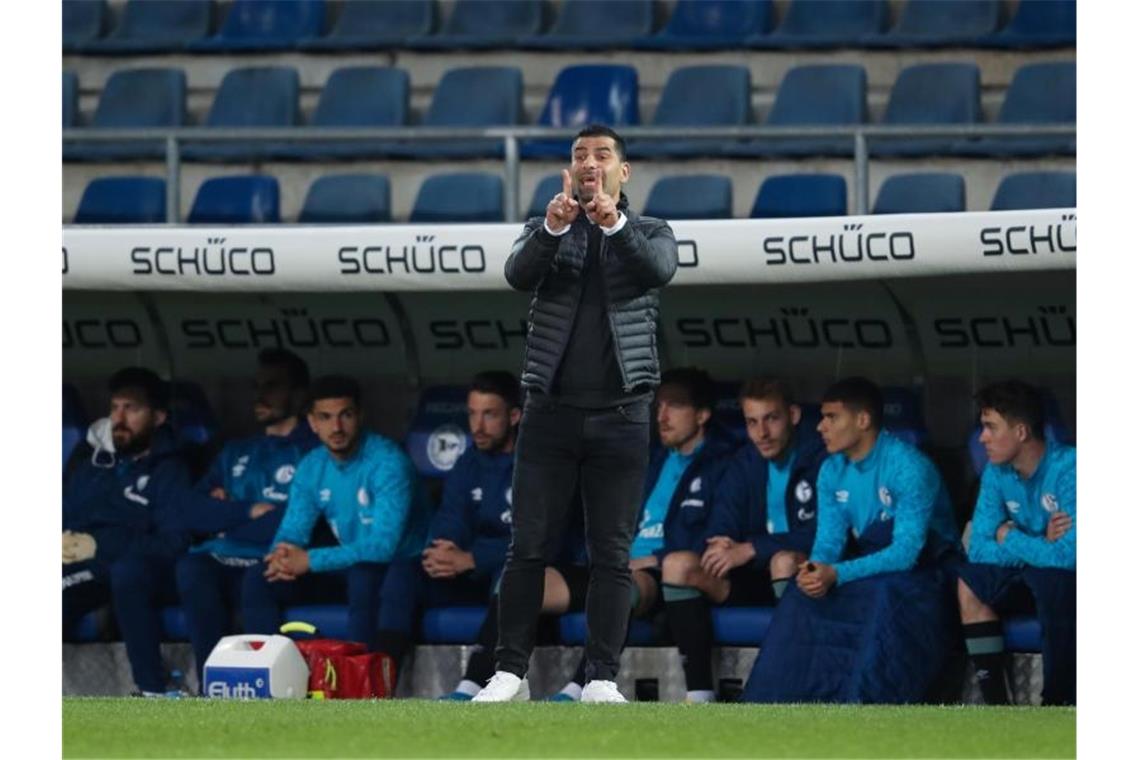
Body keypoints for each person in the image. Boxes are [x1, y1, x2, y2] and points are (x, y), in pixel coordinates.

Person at [474, 124, 679, 703]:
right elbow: (517, 275)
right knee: (527, 547)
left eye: (602, 154)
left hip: (622, 415)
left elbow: (656, 270)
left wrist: (611, 222)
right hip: (549, 414)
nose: (590, 162)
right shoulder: (547, 229)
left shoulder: (649, 230)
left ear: (623, 170)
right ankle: (508, 672)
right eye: (579, 155)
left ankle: (602, 679)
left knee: (612, 554)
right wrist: (552, 229)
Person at [743, 377, 961, 703]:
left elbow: (905, 553)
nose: (821, 427)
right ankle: (772, 703)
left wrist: (838, 574)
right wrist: (816, 568)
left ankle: (863, 705)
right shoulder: (831, 470)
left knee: (884, 596)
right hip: (872, 566)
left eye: (832, 418)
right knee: (801, 595)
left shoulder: (909, 467)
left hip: (926, 573)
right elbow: (829, 542)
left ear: (862, 420)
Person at [545, 367, 735, 702]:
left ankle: (581, 685)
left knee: (624, 584)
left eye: (674, 406)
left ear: (702, 414)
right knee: (527, 581)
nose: (661, 416)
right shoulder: (649, 458)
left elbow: (719, 533)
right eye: (659, 406)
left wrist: (655, 558)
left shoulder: (723, 463)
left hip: (662, 574)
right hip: (620, 564)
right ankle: (479, 684)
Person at [241, 375, 430, 660]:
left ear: (360, 416)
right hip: (347, 564)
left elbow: (382, 547)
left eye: (346, 415)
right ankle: (268, 679)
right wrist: (282, 554)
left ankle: (358, 686)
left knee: (363, 576)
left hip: (397, 568)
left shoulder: (388, 462)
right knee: (260, 577)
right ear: (313, 422)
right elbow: (293, 529)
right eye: (326, 417)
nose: (337, 427)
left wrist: (309, 560)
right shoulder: (312, 465)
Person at [661, 377, 825, 702]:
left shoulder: (819, 459)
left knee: (785, 561)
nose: (761, 433)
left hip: (803, 580)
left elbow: (822, 535)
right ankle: (699, 696)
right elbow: (721, 525)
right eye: (751, 422)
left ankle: (796, 685)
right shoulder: (743, 463)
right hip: (749, 578)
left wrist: (752, 548)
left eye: (771, 419)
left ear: (792, 415)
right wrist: (723, 545)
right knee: (678, 564)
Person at [174, 349, 318, 686]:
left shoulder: (313, 452)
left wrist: (221, 518)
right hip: (228, 555)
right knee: (192, 567)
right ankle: (213, 686)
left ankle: (264, 686)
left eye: (273, 386)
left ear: (298, 395)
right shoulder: (236, 450)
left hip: (280, 559)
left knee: (260, 577)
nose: (260, 395)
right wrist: (246, 510)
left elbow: (294, 520)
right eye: (257, 386)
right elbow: (187, 511)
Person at [378, 371, 522, 679]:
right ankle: (382, 677)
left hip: (506, 571)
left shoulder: (533, 464)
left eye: (489, 415)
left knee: (514, 575)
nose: (477, 426)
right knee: (405, 571)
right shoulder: (469, 460)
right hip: (466, 572)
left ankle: (479, 680)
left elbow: (541, 541)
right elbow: (452, 515)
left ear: (514, 416)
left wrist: (473, 558)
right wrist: (445, 546)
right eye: (472, 414)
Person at [62, 367, 192, 696]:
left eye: (132, 409)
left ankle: (152, 691)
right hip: (75, 561)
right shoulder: (89, 460)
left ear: (158, 416)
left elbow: (173, 542)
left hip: (123, 569)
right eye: (115, 407)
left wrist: (97, 546)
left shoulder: (171, 468)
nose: (118, 418)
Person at [956, 380, 1076, 706]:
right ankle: (997, 706)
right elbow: (978, 548)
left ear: (1021, 432)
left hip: (1065, 581)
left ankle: (1060, 703)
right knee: (970, 580)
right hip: (1029, 569)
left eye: (990, 427)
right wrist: (1037, 544)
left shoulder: (1072, 468)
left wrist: (1009, 534)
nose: (982, 439)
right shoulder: (996, 473)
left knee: (1055, 579)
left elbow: (1069, 558)